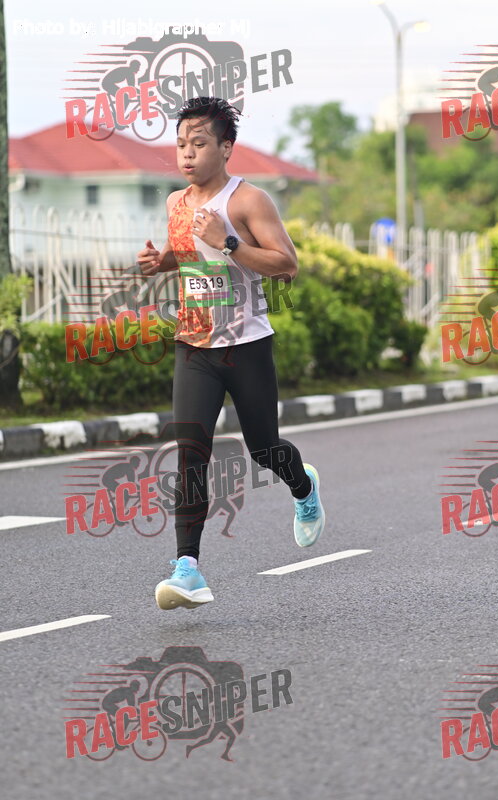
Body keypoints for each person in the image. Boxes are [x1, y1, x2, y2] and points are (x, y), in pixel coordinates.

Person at [136, 96, 325, 611]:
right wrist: (161, 262)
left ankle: (302, 486)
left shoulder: (249, 201)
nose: (187, 153)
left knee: (263, 448)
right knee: (190, 453)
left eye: (199, 144)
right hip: (194, 345)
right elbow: (190, 255)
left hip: (247, 345)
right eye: (181, 144)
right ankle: (187, 568)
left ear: (226, 147)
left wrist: (231, 242)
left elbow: (287, 265)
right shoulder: (176, 203)